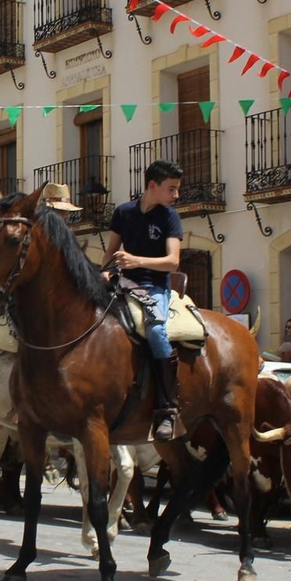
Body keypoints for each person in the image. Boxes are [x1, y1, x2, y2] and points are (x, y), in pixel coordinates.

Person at [105, 159, 185, 442]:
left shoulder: (170, 217)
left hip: (154, 286)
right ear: (152, 185)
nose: (176, 195)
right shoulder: (123, 212)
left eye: (176, 189)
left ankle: (168, 409)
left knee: (156, 331)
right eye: (171, 188)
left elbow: (173, 261)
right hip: (121, 284)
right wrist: (105, 271)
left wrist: (136, 261)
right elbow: (110, 253)